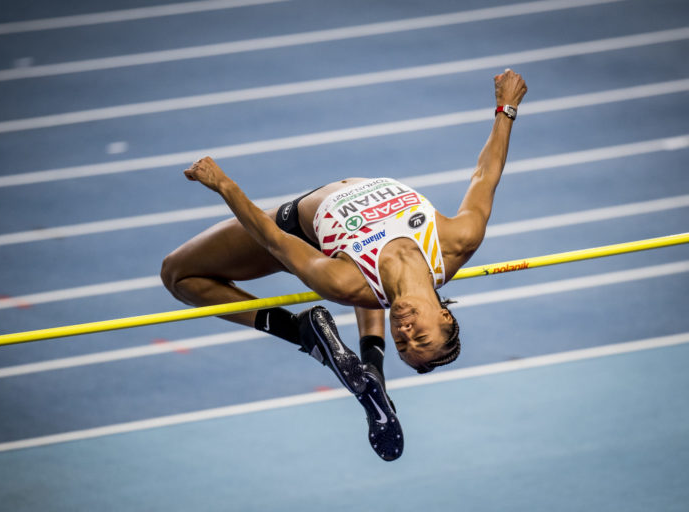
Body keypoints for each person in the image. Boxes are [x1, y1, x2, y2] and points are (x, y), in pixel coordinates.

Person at [161, 69, 527, 461]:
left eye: (402, 343)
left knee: (177, 273)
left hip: (294, 229)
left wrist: (224, 185)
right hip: (357, 263)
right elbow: (485, 175)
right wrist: (506, 108)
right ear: (446, 317)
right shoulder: (457, 242)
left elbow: (274, 240)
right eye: (419, 337)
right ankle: (374, 369)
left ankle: (298, 331)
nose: (404, 331)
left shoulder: (347, 283)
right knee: (381, 290)